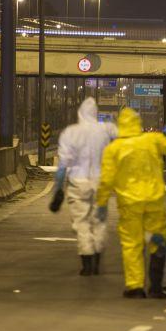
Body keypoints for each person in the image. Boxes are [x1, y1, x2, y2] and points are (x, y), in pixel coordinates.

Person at [96, 108, 166, 299]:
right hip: (154, 201)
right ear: (138, 123)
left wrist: (102, 203)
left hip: (129, 204)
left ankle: (135, 287)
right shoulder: (151, 140)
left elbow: (106, 180)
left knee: (132, 245)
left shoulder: (113, 149)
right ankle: (156, 287)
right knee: (158, 242)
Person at [53, 97, 117, 276]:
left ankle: (87, 264)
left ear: (79, 113)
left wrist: (58, 189)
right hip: (100, 182)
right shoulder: (106, 129)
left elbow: (63, 165)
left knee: (81, 223)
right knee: (99, 221)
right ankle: (97, 259)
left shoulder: (70, 132)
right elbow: (125, 140)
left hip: (77, 183)